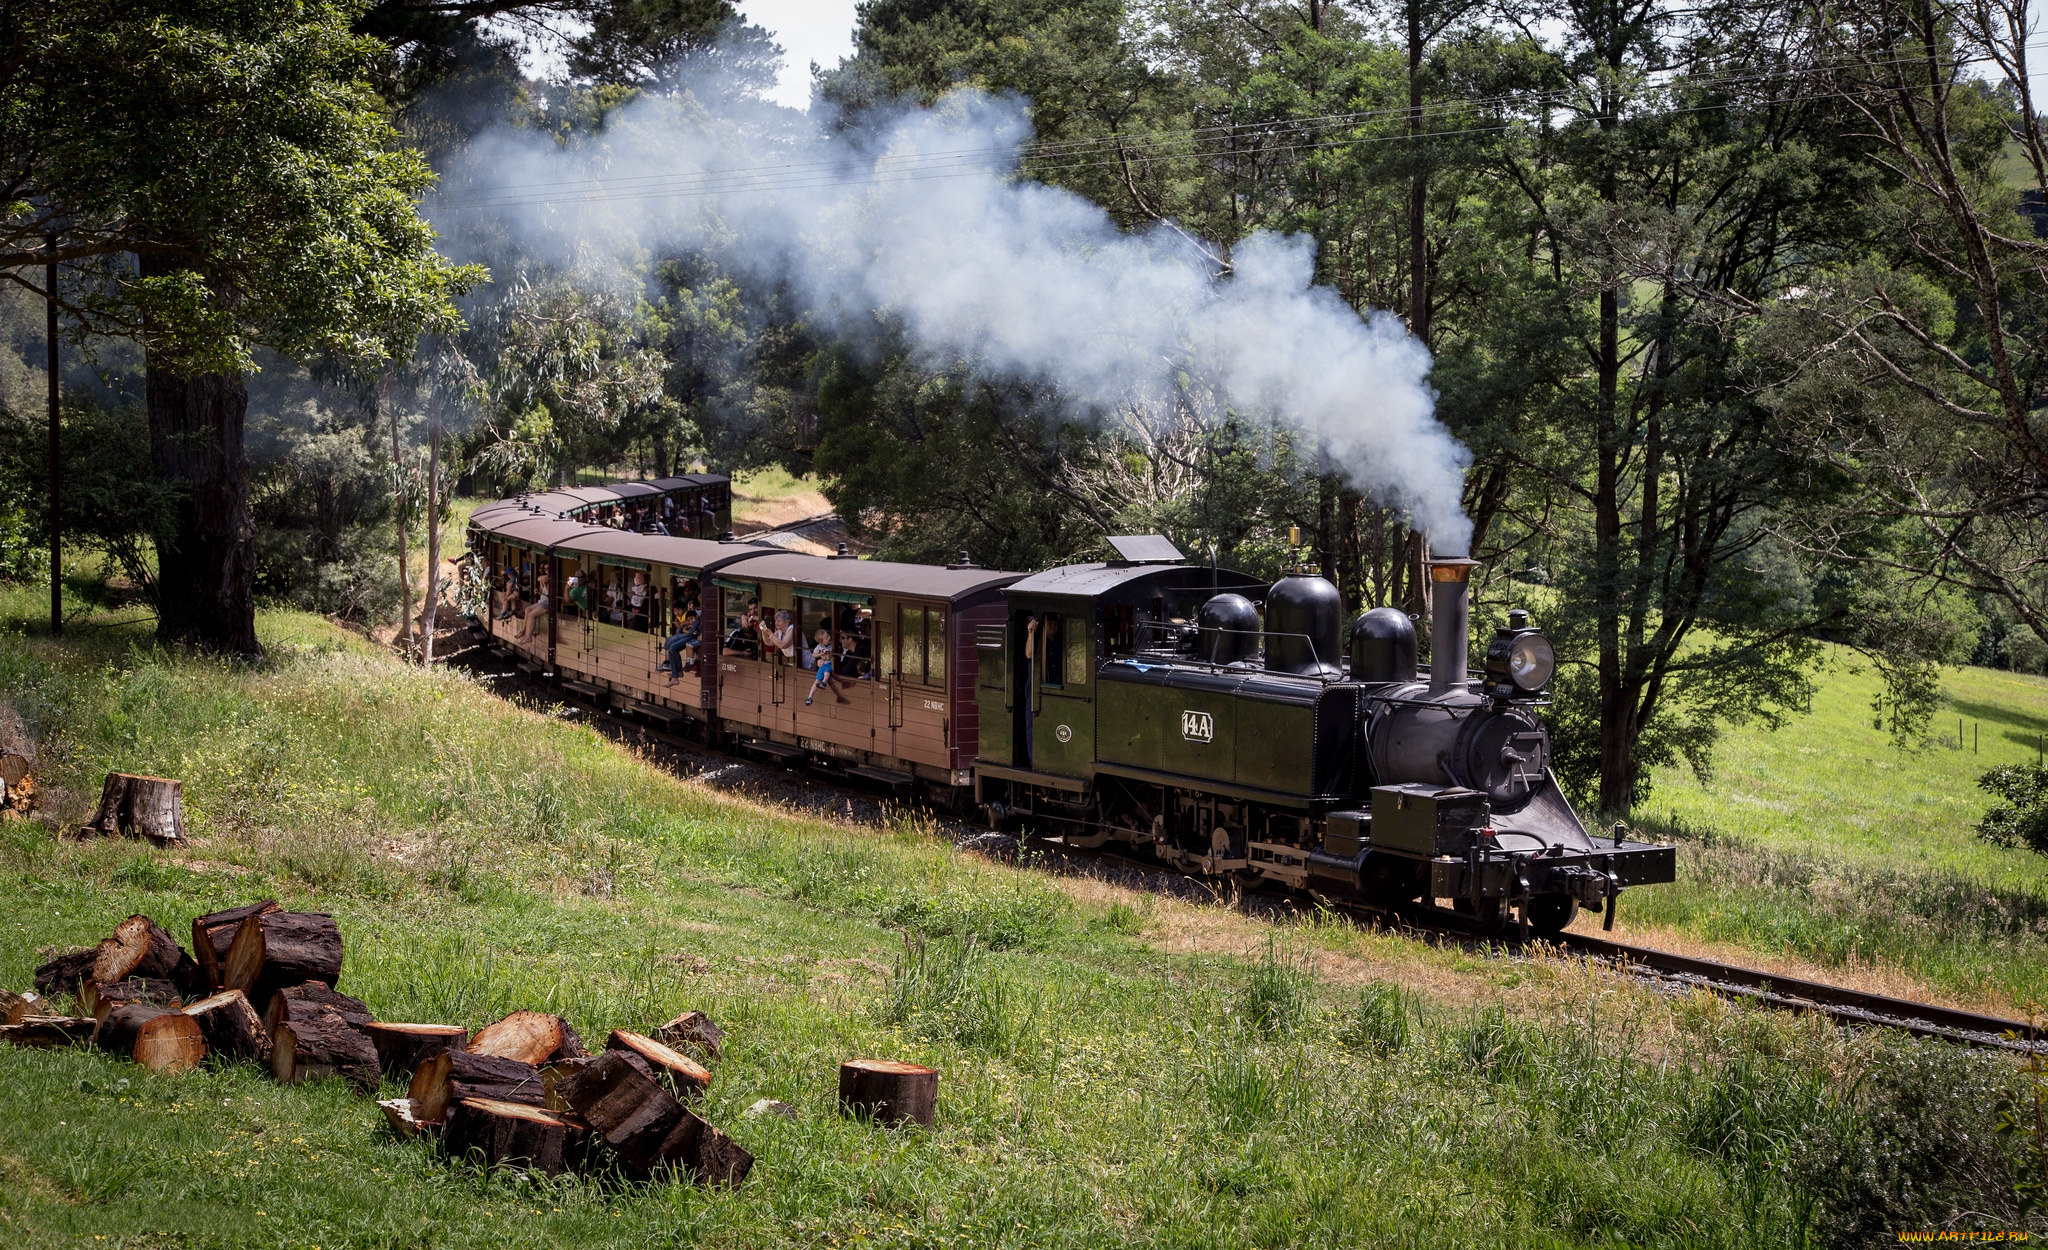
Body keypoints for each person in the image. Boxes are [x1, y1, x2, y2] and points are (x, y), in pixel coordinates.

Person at [661, 607, 700, 682]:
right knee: (670, 647)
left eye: (691, 619)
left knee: (673, 647)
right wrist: (686, 627)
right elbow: (685, 628)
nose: (690, 622)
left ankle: (678, 672)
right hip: (687, 635)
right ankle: (675, 673)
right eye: (689, 620)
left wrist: (686, 629)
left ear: (696, 616)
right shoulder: (694, 620)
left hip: (691, 636)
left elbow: (691, 631)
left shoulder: (698, 620)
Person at [804, 626, 836, 705]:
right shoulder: (819, 647)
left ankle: (824, 682)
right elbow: (814, 655)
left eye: (828, 636)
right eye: (826, 638)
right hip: (822, 665)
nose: (829, 638)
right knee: (816, 681)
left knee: (827, 672)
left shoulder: (832, 645)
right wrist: (820, 654)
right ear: (821, 642)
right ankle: (810, 697)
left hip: (829, 663)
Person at [516, 574, 551, 642]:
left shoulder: (549, 583)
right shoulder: (544, 583)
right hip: (542, 601)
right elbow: (540, 578)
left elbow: (543, 579)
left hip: (547, 603)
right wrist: (538, 591)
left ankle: (528, 637)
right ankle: (523, 631)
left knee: (531, 615)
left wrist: (542, 580)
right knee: (527, 609)